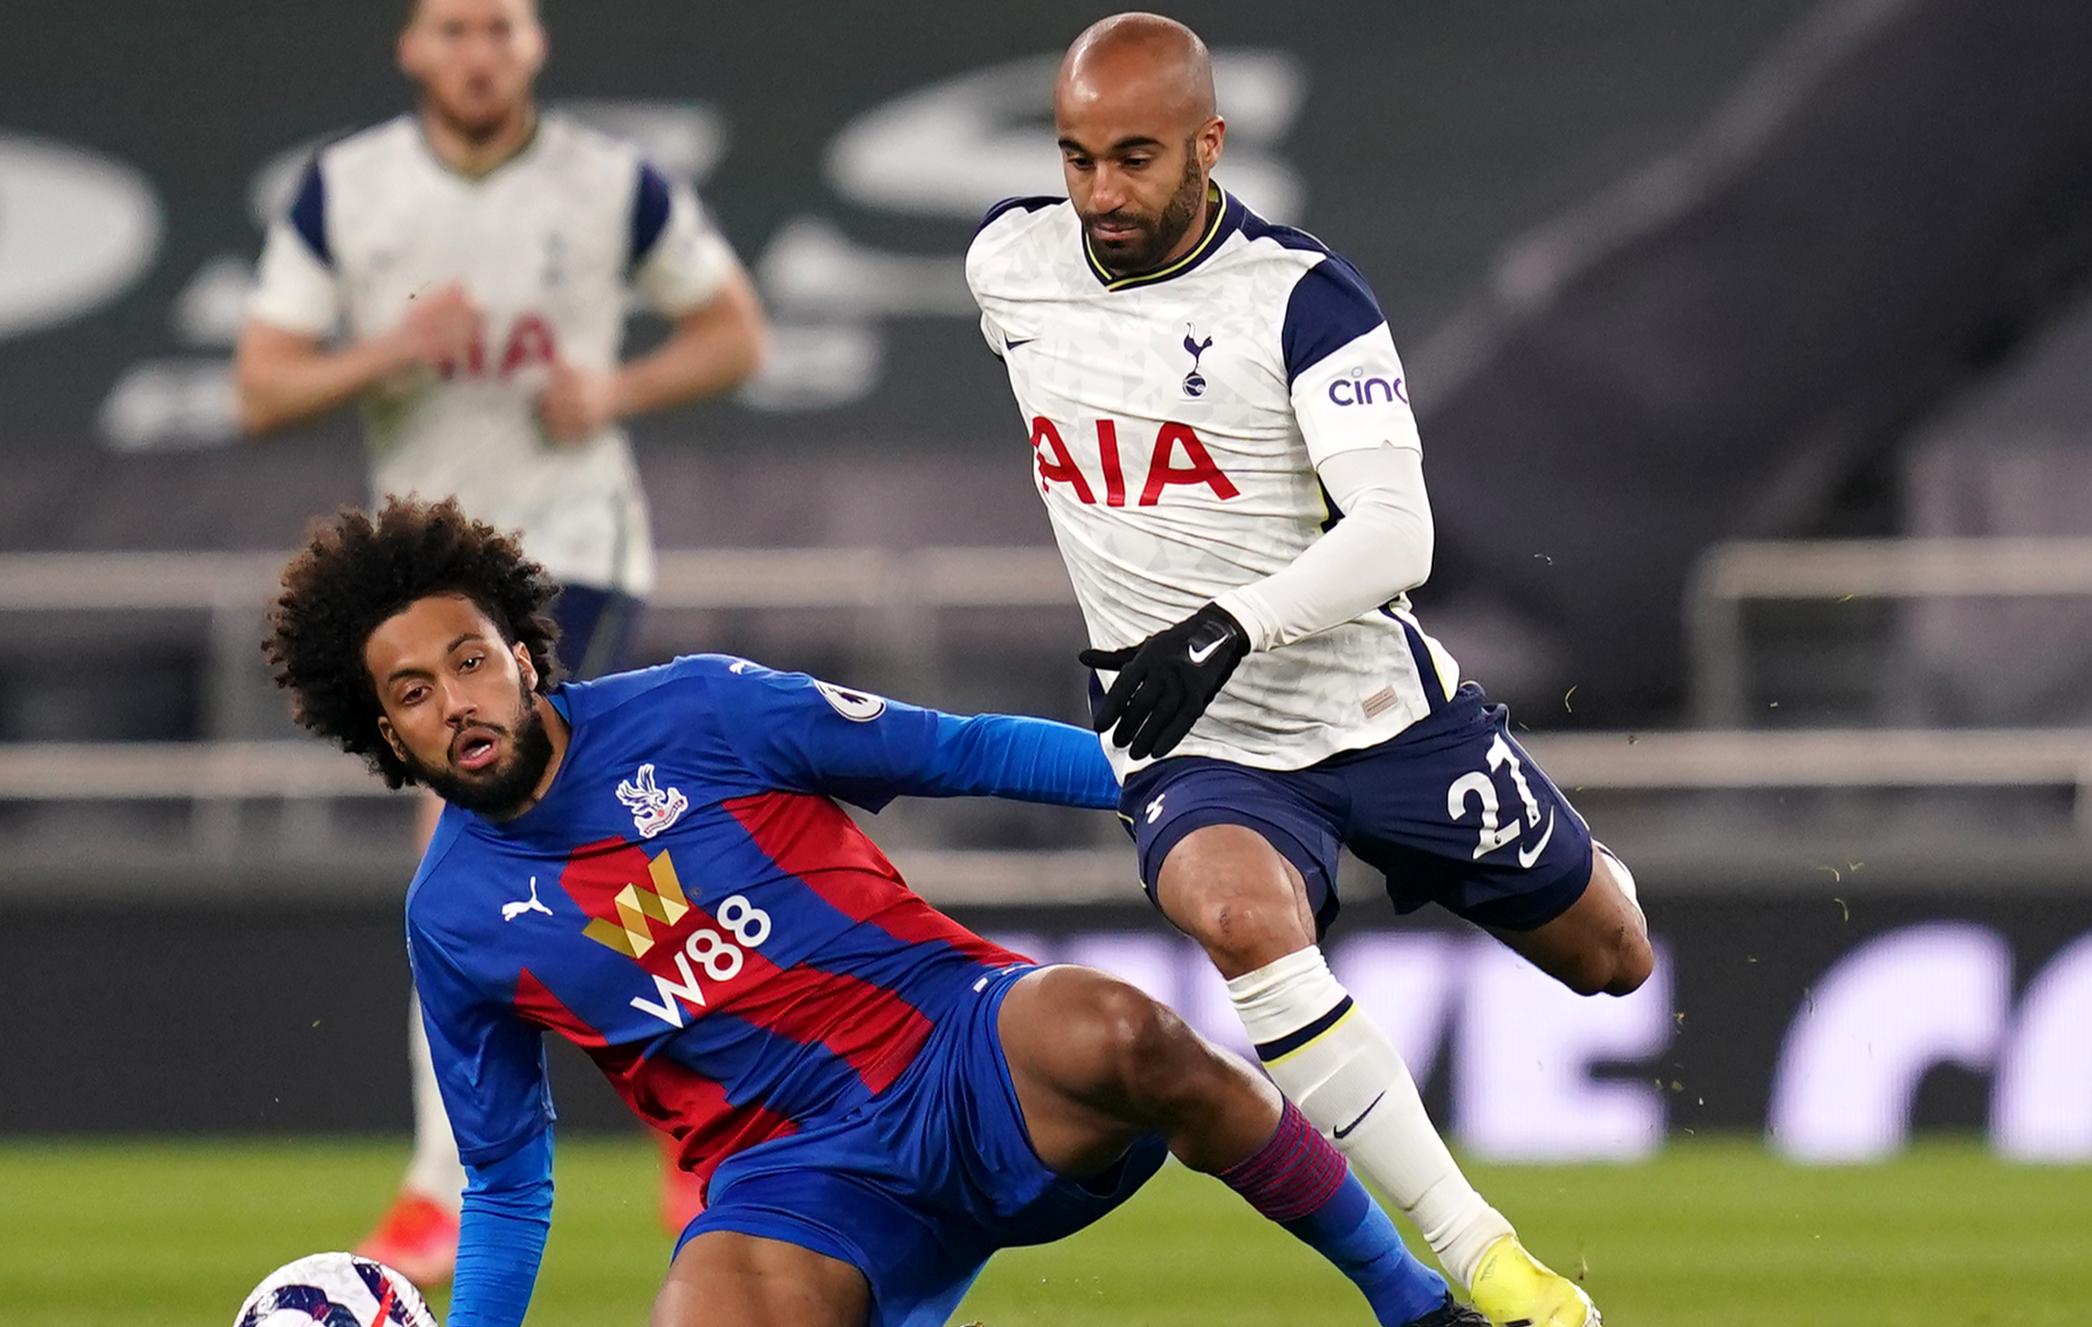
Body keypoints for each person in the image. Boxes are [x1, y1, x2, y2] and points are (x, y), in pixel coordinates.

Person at [261, 496, 1487, 1327]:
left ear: (524, 654)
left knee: (1128, 1033)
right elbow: (509, 1179)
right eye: (414, 691)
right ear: (385, 731)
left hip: (961, 1046)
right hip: (791, 1177)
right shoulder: (454, 916)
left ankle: (1412, 1306)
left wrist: (1160, 788)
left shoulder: (701, 710)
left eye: (470, 659)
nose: (455, 701)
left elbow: (957, 750)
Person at [963, 15, 1655, 1327]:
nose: (1101, 191)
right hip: (1195, 738)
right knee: (1235, 919)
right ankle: (1489, 1265)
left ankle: (1567, 858)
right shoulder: (1007, 259)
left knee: (1611, 953)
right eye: (1077, 157)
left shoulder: (1302, 298)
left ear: (1209, 145)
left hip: (1385, 716)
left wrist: (1225, 622)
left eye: (1135, 156)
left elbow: (1401, 534)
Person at [234, 0, 768, 1277]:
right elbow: (259, 384)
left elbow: (735, 330)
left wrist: (620, 388)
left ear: (533, 45)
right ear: (413, 48)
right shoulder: (347, 190)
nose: (477, 50)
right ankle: (691, 1119)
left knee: (464, 832)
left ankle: (444, 1185)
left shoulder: (608, 182)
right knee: (583, 843)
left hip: (566, 554)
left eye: (500, 26)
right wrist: (385, 352)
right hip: (425, 579)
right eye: (453, 28)